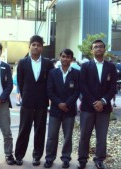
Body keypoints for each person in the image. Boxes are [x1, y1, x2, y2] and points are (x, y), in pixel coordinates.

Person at [14, 35, 54, 166]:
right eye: (34, 45)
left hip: (42, 102)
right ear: (29, 46)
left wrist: (48, 98)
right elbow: (20, 81)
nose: (36, 47)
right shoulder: (22, 62)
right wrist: (24, 95)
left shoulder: (48, 63)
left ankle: (37, 156)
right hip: (27, 101)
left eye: (39, 45)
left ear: (42, 48)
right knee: (24, 129)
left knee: (40, 130)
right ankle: (19, 155)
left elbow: (50, 82)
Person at [77, 40, 117, 169]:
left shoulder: (111, 67)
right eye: (96, 47)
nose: (98, 49)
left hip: (104, 108)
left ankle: (99, 159)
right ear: (91, 51)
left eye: (101, 46)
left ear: (104, 49)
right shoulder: (85, 66)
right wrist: (94, 102)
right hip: (88, 107)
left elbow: (112, 87)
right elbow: (82, 86)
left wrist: (103, 101)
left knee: (102, 136)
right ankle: (82, 160)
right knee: (84, 135)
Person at [44, 49, 80, 168]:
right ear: (60, 57)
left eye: (68, 57)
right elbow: (49, 90)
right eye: (63, 56)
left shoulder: (76, 73)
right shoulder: (53, 73)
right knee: (51, 136)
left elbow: (77, 92)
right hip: (55, 109)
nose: (65, 59)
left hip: (69, 110)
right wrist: (59, 103)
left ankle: (66, 158)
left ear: (71, 59)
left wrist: (67, 104)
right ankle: (49, 158)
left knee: (67, 136)